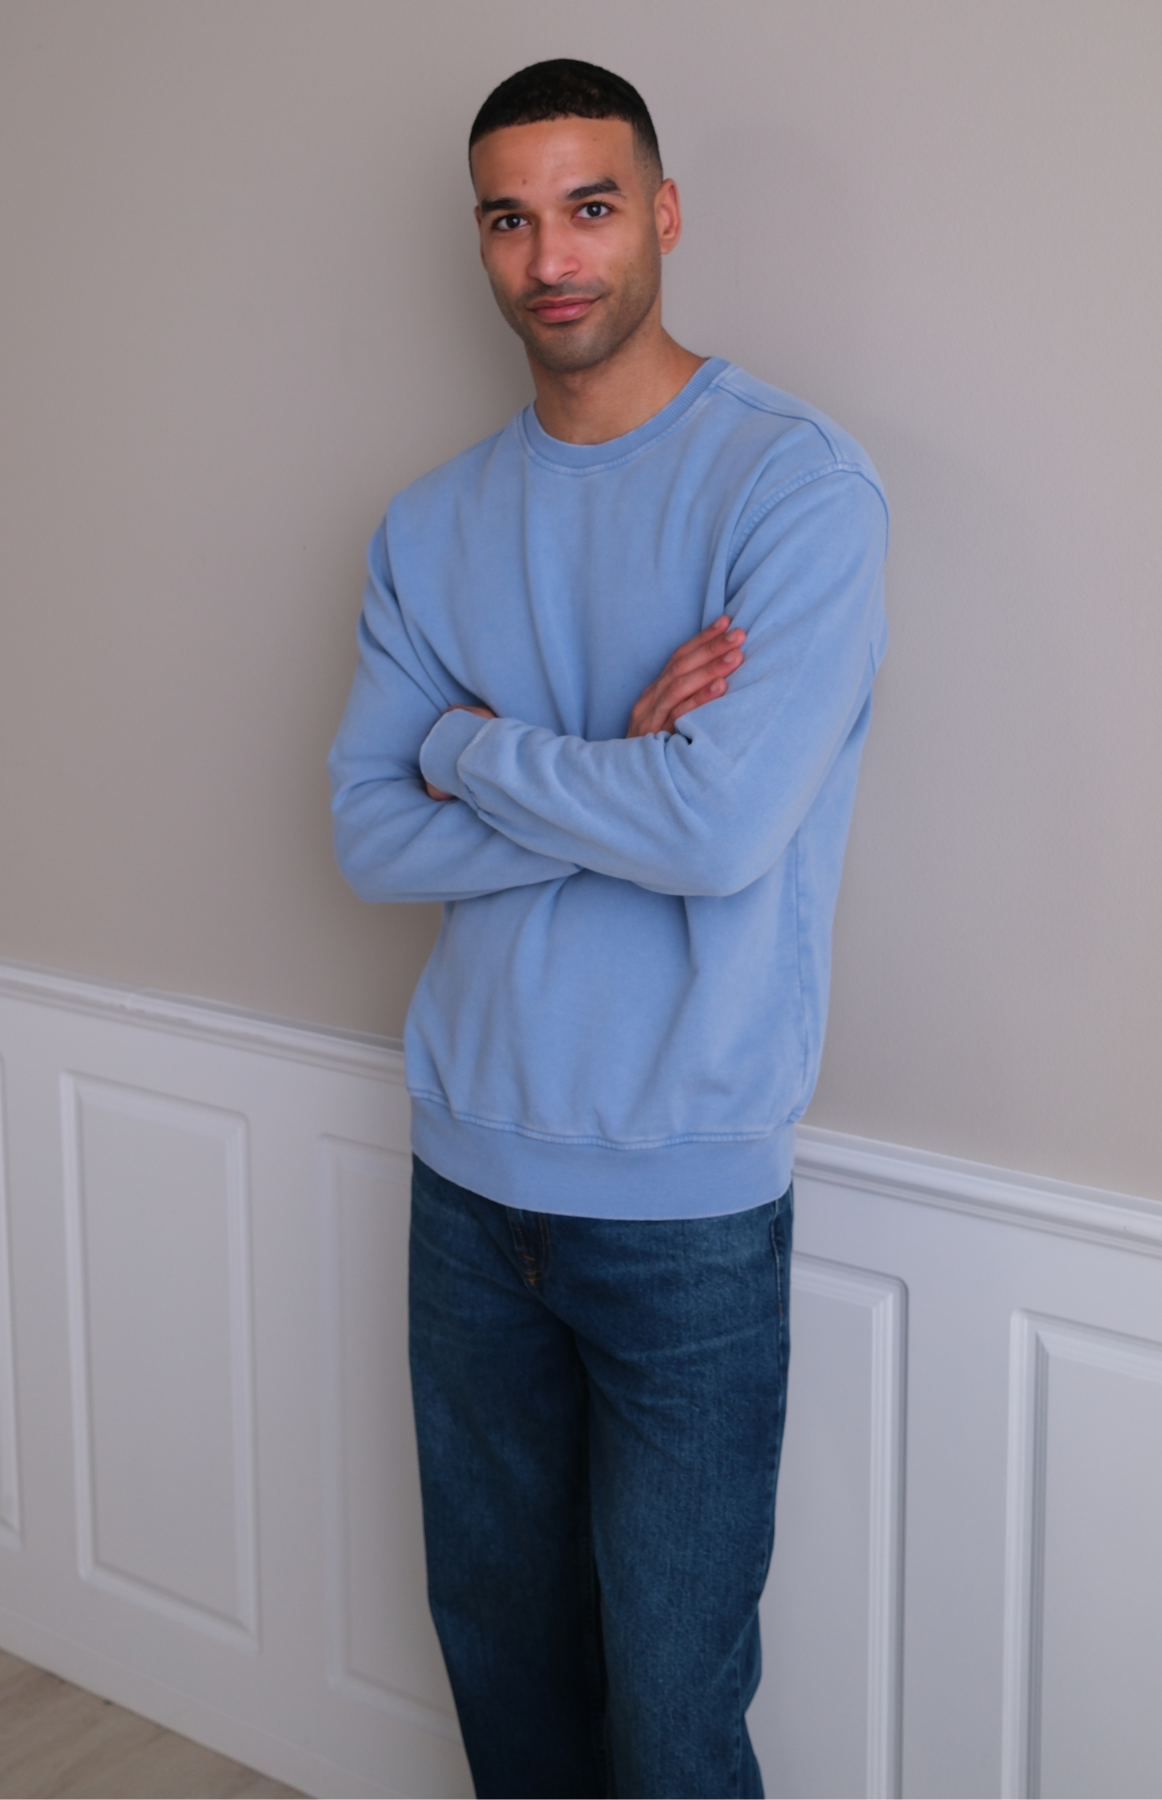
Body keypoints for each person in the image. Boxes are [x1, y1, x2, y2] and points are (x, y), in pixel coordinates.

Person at [329, 58, 887, 1800]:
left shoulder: (795, 489)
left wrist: (471, 748)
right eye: (510, 219)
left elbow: (717, 833)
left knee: (670, 1715)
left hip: (685, 1204)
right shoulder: (429, 523)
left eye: (588, 207)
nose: (551, 257)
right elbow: (365, 835)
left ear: (662, 213)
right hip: (466, 1185)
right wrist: (614, 773)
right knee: (508, 1676)